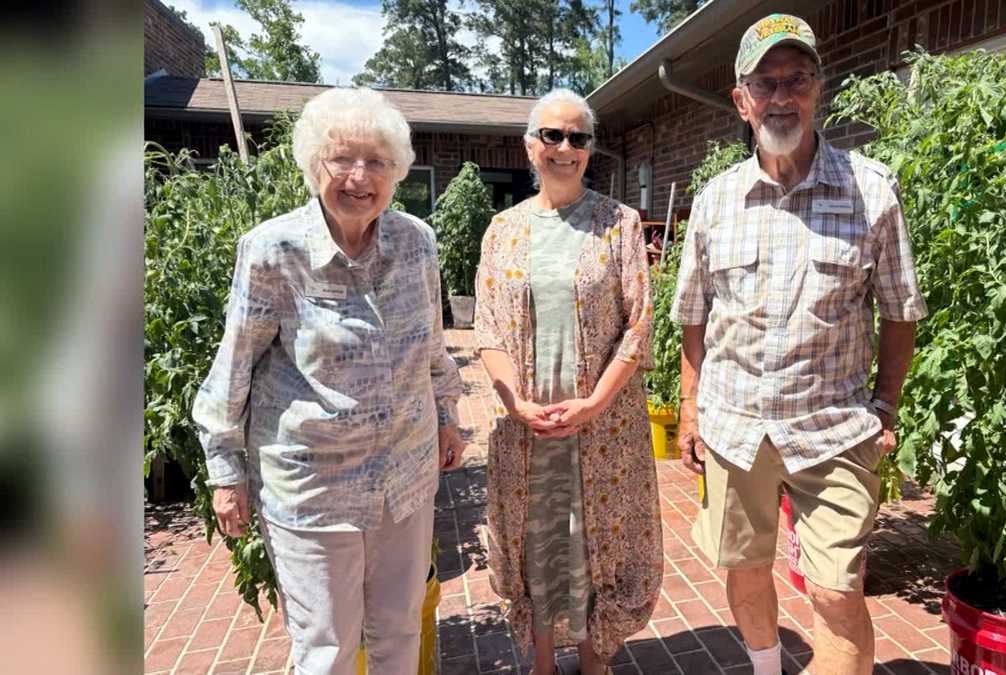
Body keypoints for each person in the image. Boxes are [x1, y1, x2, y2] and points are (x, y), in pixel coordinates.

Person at [671, 14, 928, 675]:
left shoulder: (871, 191)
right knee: (746, 566)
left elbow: (901, 313)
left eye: (797, 80)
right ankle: (765, 666)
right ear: (741, 98)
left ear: (819, 89)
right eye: (765, 82)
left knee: (839, 590)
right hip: (735, 428)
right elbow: (693, 314)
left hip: (833, 429)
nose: (781, 96)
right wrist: (691, 407)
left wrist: (886, 406)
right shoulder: (714, 201)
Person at [192, 86, 466, 674]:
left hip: (405, 479)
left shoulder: (417, 242)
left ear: (396, 172)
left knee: (398, 633)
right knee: (326, 649)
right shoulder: (274, 250)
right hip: (314, 490)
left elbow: (432, 349)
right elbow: (233, 365)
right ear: (316, 163)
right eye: (343, 158)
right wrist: (225, 470)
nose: (359, 177)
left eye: (377, 162)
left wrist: (448, 416)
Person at [474, 89, 661, 675]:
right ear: (530, 146)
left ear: (589, 149)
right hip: (529, 428)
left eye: (578, 138)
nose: (565, 148)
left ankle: (593, 654)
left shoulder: (620, 225)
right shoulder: (501, 231)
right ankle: (543, 660)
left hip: (601, 427)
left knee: (594, 537)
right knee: (539, 537)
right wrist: (516, 402)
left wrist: (593, 403)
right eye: (552, 135)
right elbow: (488, 330)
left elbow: (638, 326)